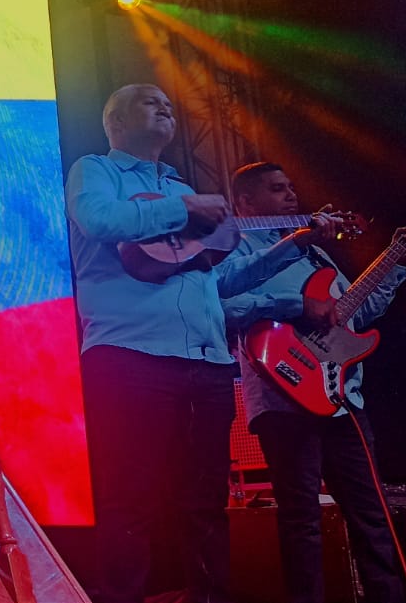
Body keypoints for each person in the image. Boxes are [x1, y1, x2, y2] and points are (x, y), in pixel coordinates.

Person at [65, 84, 338, 603]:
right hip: (128, 356)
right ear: (116, 120)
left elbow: (219, 277)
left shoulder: (180, 184)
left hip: (208, 362)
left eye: (169, 103)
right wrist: (183, 207)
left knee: (207, 503)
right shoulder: (96, 171)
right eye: (150, 101)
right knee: (130, 501)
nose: (165, 107)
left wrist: (293, 244)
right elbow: (99, 220)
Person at [222, 162, 406, 603]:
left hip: (340, 399)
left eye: (292, 186)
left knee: (372, 516)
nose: (291, 195)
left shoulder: (317, 252)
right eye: (278, 189)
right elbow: (223, 307)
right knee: (302, 521)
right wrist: (295, 304)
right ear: (247, 202)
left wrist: (394, 264)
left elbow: (358, 313)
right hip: (283, 396)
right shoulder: (236, 247)